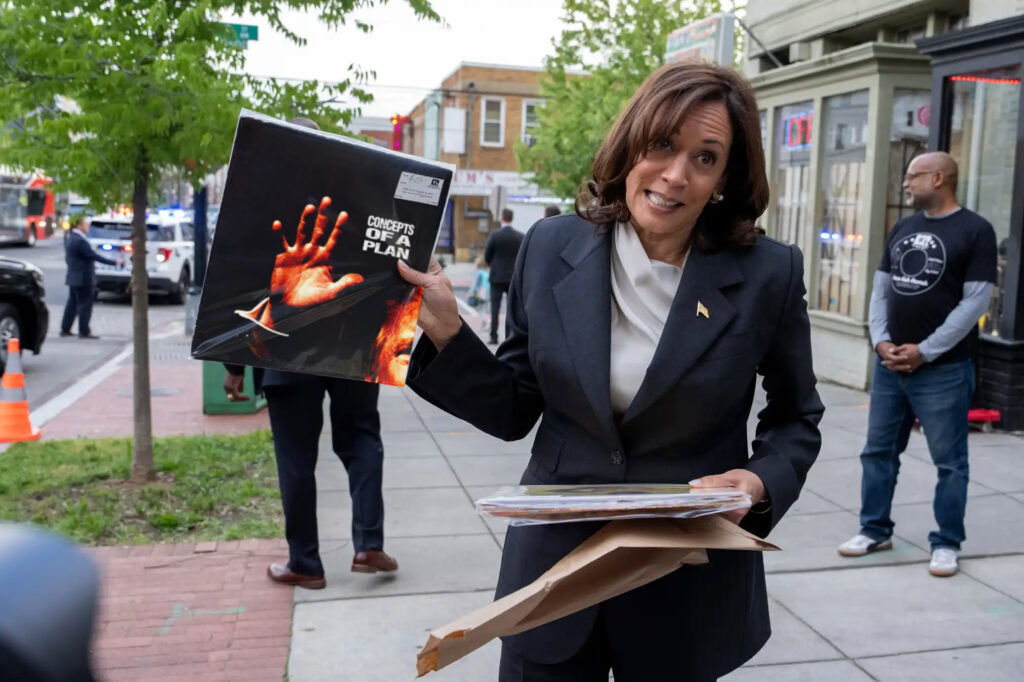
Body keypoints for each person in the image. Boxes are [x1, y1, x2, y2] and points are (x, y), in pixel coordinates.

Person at [398, 61, 823, 681]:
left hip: (683, 587)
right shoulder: (549, 246)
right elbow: (515, 405)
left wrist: (756, 483)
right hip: (552, 579)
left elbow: (796, 417)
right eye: (662, 145)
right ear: (631, 144)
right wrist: (446, 332)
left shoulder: (768, 274)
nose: (675, 176)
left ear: (725, 177)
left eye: (705, 158)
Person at [224, 116, 397, 591]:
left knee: (295, 458)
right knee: (361, 438)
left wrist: (234, 365)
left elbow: (233, 281)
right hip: (353, 346)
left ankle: (305, 562)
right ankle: (368, 542)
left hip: (284, 348)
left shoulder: (261, 202)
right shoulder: (362, 198)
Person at [838, 152, 997, 579]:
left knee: (950, 462)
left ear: (940, 178)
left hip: (943, 371)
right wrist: (881, 340)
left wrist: (925, 350)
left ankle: (946, 543)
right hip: (890, 368)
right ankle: (874, 529)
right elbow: (880, 289)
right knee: (878, 454)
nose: (906, 183)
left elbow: (975, 302)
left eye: (913, 175)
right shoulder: (904, 227)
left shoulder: (976, 231)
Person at [61, 215, 121, 339]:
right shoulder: (80, 241)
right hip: (84, 278)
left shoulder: (71, 238)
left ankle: (65, 328)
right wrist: (114, 262)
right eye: (85, 224)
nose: (88, 226)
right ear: (79, 226)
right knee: (85, 305)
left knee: (72, 304)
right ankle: (84, 331)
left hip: (73, 276)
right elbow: (93, 256)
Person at [483, 208, 524, 345]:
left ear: (502, 218)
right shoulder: (519, 236)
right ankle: (508, 337)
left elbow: (487, 255)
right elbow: (522, 257)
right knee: (511, 309)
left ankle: (493, 336)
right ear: (512, 218)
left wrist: (493, 265)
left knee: (495, 307)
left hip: (496, 276)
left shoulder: (495, 235)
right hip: (513, 277)